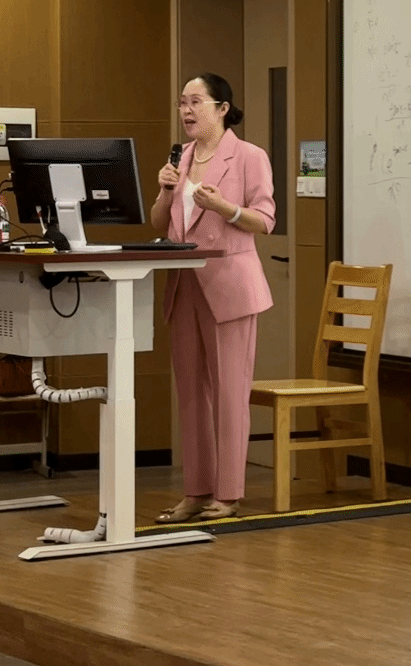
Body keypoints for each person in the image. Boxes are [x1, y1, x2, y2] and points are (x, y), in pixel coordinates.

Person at [150, 73, 276, 523]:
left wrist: (225, 207)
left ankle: (228, 494)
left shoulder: (249, 156)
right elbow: (160, 224)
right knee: (190, 395)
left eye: (196, 102)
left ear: (222, 108)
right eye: (182, 102)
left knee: (229, 393)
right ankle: (196, 490)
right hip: (184, 284)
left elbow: (265, 220)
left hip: (230, 286)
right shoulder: (180, 158)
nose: (186, 111)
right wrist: (165, 190)